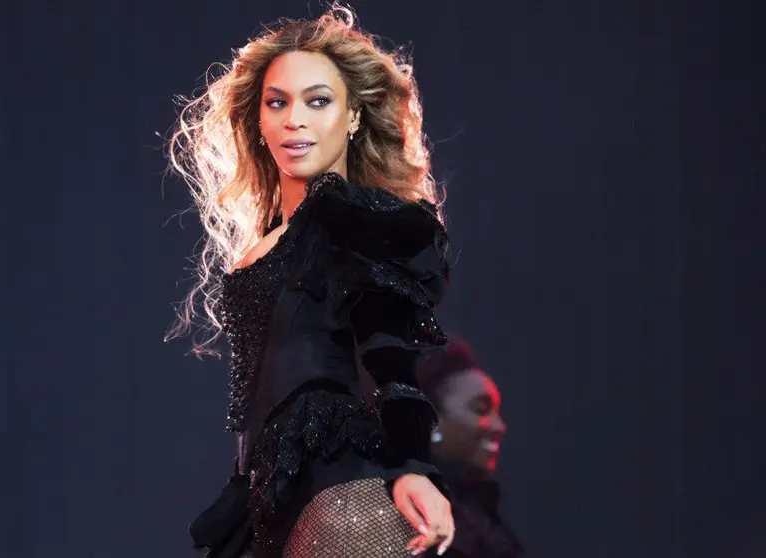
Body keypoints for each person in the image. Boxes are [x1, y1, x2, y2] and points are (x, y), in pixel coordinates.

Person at [167, 7, 455, 557]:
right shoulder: (265, 245)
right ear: (259, 120)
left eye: (318, 101)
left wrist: (415, 467)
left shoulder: (363, 220)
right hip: (273, 503)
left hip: (345, 502)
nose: (295, 118)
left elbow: (390, 353)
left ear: (352, 117)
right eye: (278, 102)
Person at [415, 336, 523, 557]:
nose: (500, 426)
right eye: (481, 409)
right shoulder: (414, 515)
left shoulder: (478, 510)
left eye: (496, 412)